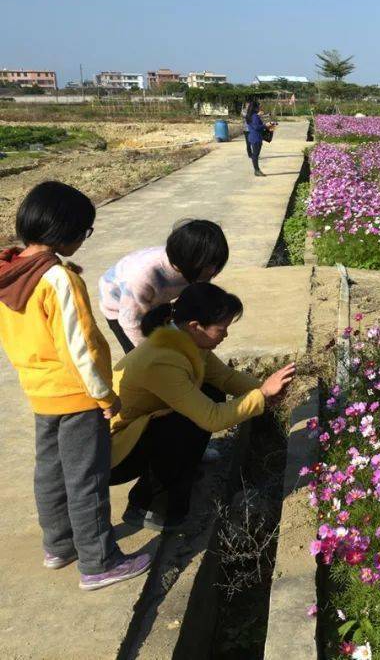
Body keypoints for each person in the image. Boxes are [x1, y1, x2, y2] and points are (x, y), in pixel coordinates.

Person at [0, 182, 151, 590]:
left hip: (40, 392)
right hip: (76, 395)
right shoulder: (57, 278)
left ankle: (60, 544)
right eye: (84, 231)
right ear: (64, 231)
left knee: (50, 471)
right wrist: (104, 394)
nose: (83, 240)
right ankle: (99, 561)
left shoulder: (9, 272)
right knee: (87, 477)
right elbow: (79, 345)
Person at [110, 282, 295, 531]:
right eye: (222, 329)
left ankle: (176, 472)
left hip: (139, 434)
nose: (226, 335)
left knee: (212, 391)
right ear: (196, 326)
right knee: (184, 424)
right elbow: (212, 419)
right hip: (114, 454)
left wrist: (272, 391)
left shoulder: (186, 341)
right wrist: (261, 395)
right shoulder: (163, 358)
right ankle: (150, 506)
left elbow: (226, 378)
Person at [99, 219, 230, 353]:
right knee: (141, 358)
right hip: (121, 307)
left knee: (175, 345)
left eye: (218, 264)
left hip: (156, 301)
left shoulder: (198, 269)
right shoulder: (144, 277)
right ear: (190, 261)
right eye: (210, 265)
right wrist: (150, 353)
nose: (215, 271)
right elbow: (131, 322)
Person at [245, 99, 267, 176]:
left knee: (255, 154)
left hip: (253, 137)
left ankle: (256, 170)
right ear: (255, 107)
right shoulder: (254, 116)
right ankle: (257, 170)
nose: (259, 108)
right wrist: (265, 125)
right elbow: (257, 127)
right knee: (255, 155)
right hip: (256, 137)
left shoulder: (250, 116)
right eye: (258, 106)